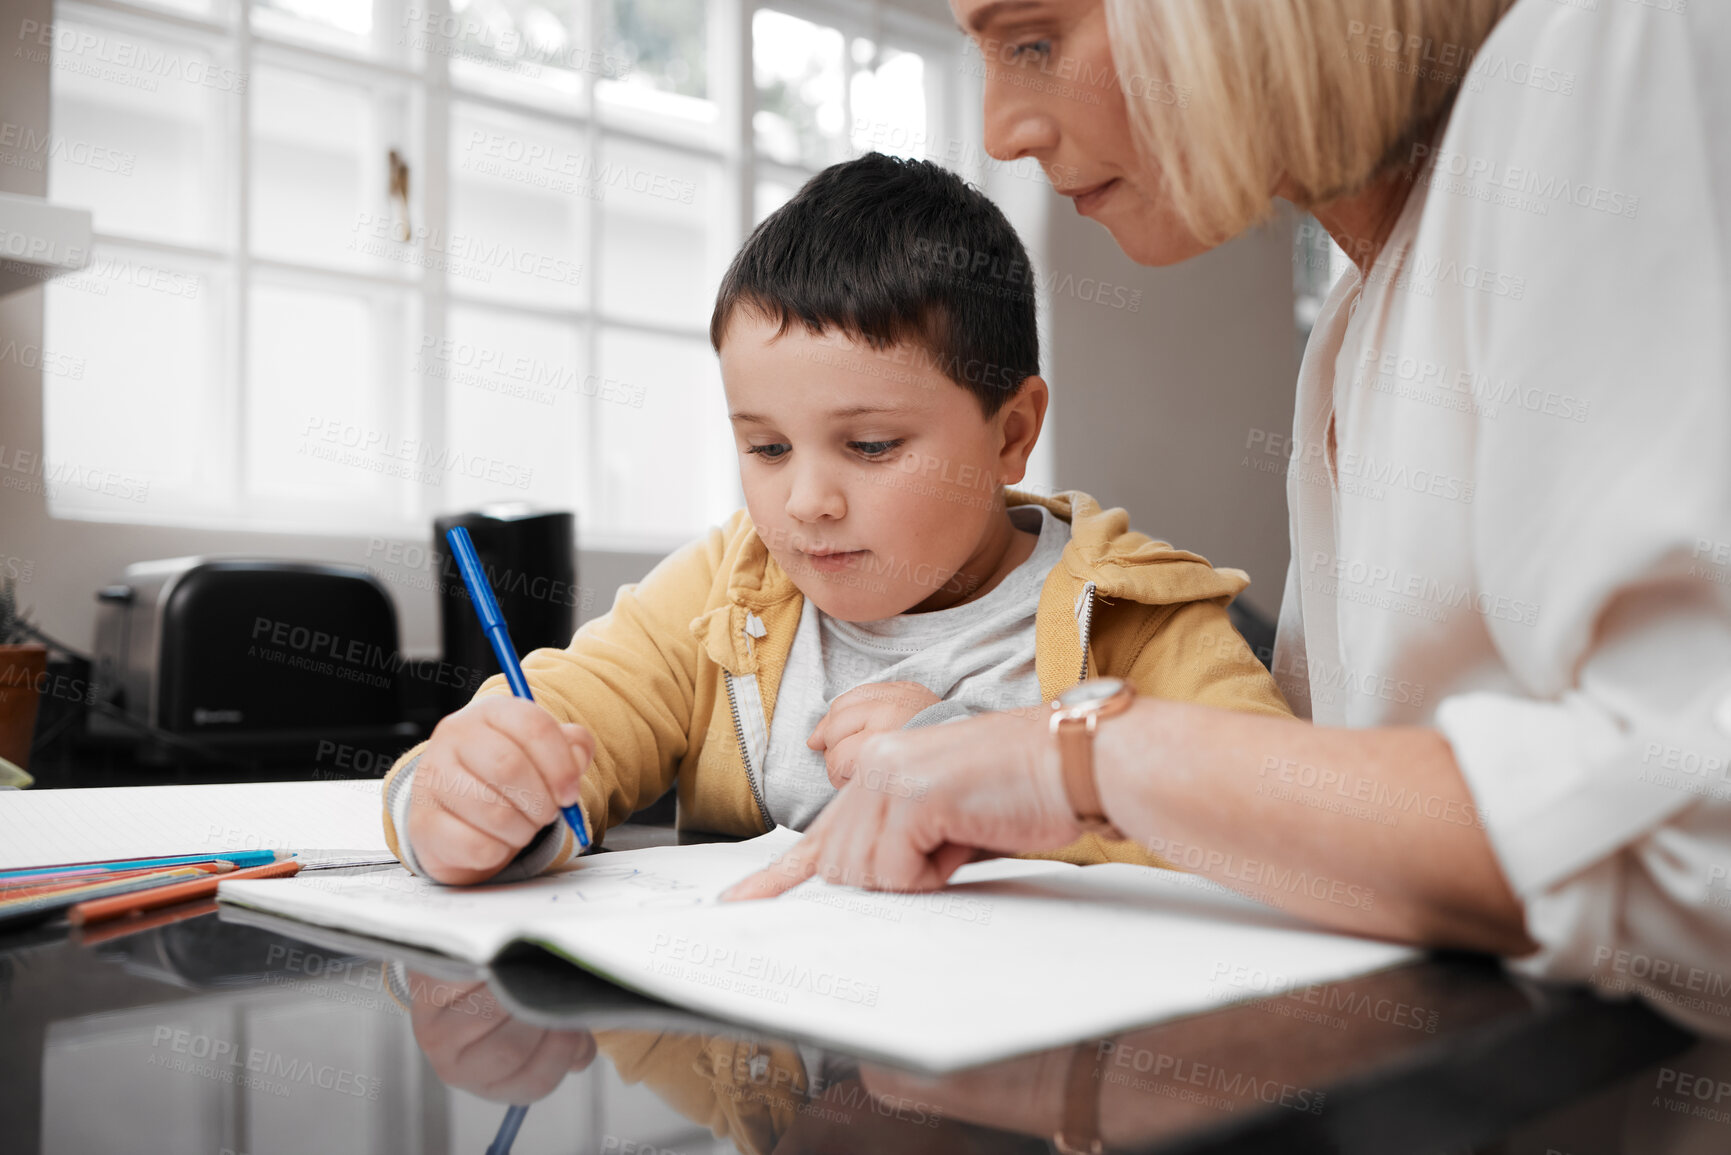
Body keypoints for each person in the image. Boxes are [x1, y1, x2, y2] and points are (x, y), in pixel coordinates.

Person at [728, 0, 1731, 1026]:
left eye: (1035, 41)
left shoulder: (1611, 41)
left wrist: (1074, 758)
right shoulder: (1353, 321)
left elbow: (1699, 832)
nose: (1001, 132)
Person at [379, 151, 1289, 886]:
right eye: (767, 449)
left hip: (1024, 1084)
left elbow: (1283, 826)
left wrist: (989, 775)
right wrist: (461, 792)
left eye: (871, 447)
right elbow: (569, 713)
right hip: (766, 1074)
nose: (804, 501)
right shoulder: (727, 592)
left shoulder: (1138, 616)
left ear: (1010, 435)